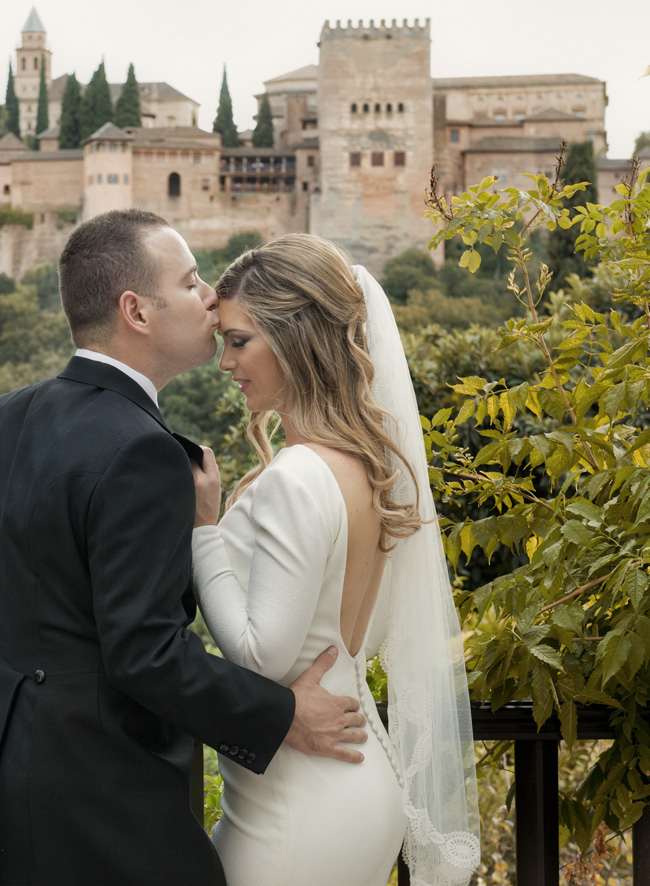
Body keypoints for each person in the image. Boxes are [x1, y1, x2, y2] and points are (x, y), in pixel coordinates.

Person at [0, 210, 369, 886]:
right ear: (136, 311)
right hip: (103, 799)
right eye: (190, 281)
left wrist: (47, 634)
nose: (209, 295)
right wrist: (284, 714)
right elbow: (145, 653)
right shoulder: (145, 451)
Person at [191, 233, 481, 886]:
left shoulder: (299, 475)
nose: (224, 363)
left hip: (300, 806)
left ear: (295, 339)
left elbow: (263, 656)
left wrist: (203, 533)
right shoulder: (361, 466)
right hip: (344, 776)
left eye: (239, 341)